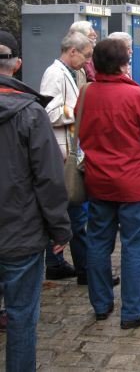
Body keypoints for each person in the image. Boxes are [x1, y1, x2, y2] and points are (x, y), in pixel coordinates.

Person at [78, 38, 140, 329]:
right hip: (133, 183)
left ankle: (101, 303)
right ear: (123, 64)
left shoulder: (87, 94)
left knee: (97, 242)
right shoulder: (136, 96)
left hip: (98, 180)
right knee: (134, 246)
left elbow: (80, 130)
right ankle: (133, 309)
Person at [0, 30, 71, 370]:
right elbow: (49, 178)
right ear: (18, 64)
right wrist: (60, 229)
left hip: (20, 230)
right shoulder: (30, 113)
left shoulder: (30, 112)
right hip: (21, 232)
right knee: (21, 316)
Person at [39, 31, 93, 283]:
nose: (87, 61)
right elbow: (49, 112)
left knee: (67, 210)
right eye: (86, 55)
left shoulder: (68, 72)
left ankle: (57, 262)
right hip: (63, 151)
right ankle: (84, 268)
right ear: (73, 51)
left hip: (69, 147)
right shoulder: (54, 74)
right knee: (75, 212)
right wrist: (80, 111)